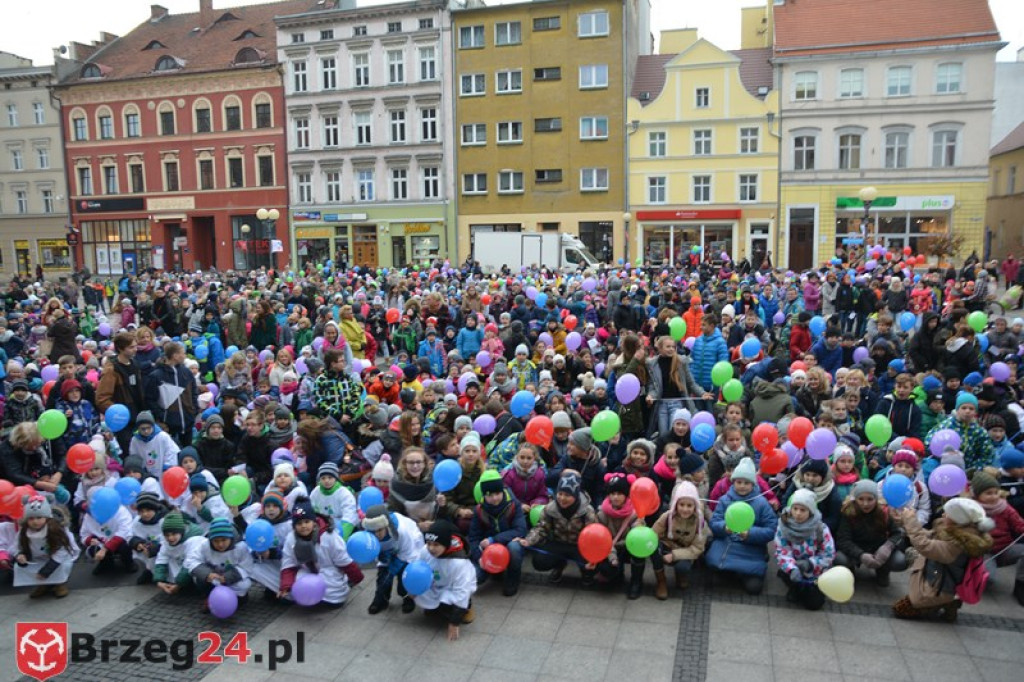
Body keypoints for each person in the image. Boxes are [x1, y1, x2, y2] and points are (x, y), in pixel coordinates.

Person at [892, 498, 994, 622]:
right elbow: (929, 536)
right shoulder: (962, 532)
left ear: (958, 520)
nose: (944, 515)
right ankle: (950, 602)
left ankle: (941, 602)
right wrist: (905, 523)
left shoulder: (957, 544)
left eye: (948, 514)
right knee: (913, 553)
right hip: (943, 576)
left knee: (900, 609)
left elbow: (924, 545)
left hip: (939, 587)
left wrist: (910, 521)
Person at [706, 457, 778, 595]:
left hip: (751, 546)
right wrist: (724, 528)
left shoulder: (761, 503)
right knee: (713, 571)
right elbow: (714, 522)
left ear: (753, 484)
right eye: (739, 482)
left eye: (746, 482)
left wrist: (750, 533)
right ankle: (733, 572)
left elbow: (771, 529)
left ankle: (743, 571)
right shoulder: (725, 500)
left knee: (754, 588)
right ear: (733, 482)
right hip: (728, 542)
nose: (742, 486)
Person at [278, 497, 363, 607]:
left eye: (306, 522)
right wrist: (286, 586)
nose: (303, 526)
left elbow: (344, 561)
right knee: (293, 589)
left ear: (313, 522)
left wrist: (356, 578)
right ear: (294, 526)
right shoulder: (291, 538)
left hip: (329, 572)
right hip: (307, 571)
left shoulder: (329, 537)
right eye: (299, 523)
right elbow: (288, 564)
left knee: (331, 594)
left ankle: (336, 592)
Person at [519, 471, 600, 585]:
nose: (562, 498)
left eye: (567, 495)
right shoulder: (549, 509)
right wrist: (528, 541)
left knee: (593, 565)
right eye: (560, 494)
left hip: (580, 546)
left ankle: (586, 572)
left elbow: (593, 536)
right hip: (558, 543)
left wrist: (593, 557)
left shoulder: (587, 510)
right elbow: (541, 528)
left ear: (576, 495)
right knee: (539, 561)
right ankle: (559, 565)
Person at [774, 488, 835, 610]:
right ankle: (794, 587)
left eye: (803, 510)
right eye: (795, 508)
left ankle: (811, 588)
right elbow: (782, 550)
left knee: (814, 604)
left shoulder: (820, 529)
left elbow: (828, 554)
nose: (798, 513)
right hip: (794, 566)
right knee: (788, 575)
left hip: (815, 570)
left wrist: (810, 563)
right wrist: (792, 568)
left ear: (811, 511)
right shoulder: (784, 525)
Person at [416, 519, 478, 641]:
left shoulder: (459, 563)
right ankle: (436, 607)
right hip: (435, 583)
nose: (431, 549)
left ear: (446, 544)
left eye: (436, 545)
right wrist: (413, 588)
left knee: (449, 606)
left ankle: (466, 608)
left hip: (453, 587)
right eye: (428, 543)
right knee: (421, 598)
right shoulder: (425, 551)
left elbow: (462, 591)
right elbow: (418, 569)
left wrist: (454, 622)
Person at [362, 504, 426, 615]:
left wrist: (392, 568)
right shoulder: (369, 534)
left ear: (386, 525)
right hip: (388, 551)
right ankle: (381, 600)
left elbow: (409, 553)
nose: (376, 535)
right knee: (383, 577)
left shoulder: (402, 531)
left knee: (404, 575)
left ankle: (408, 598)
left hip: (408, 550)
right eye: (373, 531)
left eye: (379, 530)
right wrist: (382, 560)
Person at [468, 476, 527, 596]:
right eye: (489, 495)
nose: (494, 498)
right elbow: (473, 538)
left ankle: (513, 577)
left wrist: (493, 539)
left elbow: (520, 529)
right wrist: (479, 557)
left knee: (514, 548)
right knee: (477, 578)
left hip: (508, 543)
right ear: (484, 495)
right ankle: (495, 571)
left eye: (497, 493)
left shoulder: (514, 505)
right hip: (489, 550)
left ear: (503, 491)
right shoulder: (479, 510)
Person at [13, 494, 80, 599]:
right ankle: (44, 584)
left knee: (61, 565)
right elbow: (16, 546)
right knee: (21, 567)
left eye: (39, 518)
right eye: (31, 518)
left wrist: (47, 570)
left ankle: (60, 583)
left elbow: (62, 551)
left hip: (55, 558)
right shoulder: (24, 531)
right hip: (38, 557)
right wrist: (20, 555)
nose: (35, 522)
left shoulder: (55, 530)